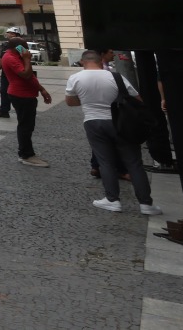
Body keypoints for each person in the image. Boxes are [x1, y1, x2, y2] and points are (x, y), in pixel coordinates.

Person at [66, 49, 163, 215]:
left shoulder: (75, 78)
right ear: (100, 61)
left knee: (105, 162)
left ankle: (113, 200)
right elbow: (137, 100)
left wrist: (88, 100)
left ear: (83, 62)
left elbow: (70, 102)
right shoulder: (116, 77)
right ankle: (146, 204)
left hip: (93, 122)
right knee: (134, 163)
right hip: (121, 123)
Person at [1, 35, 53, 167]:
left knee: (28, 125)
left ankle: (27, 152)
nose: (26, 50)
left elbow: (30, 78)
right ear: (17, 48)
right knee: (25, 126)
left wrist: (41, 89)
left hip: (26, 94)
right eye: (24, 47)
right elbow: (26, 74)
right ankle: (26, 154)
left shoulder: (14, 56)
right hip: (21, 95)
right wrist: (27, 59)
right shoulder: (10, 58)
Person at [0, 28, 26, 118]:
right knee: (5, 91)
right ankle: (5, 110)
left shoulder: (15, 45)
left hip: (13, 70)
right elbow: (3, 58)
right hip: (11, 71)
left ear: (14, 34)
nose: (7, 34)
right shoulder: (12, 44)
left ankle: (13, 110)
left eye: (9, 33)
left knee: (11, 91)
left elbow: (25, 56)